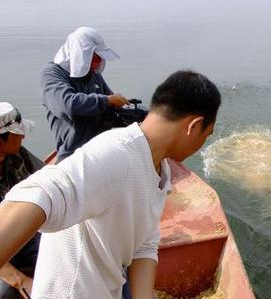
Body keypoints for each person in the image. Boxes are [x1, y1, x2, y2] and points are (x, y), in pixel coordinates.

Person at [0, 70, 221, 298]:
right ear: (194, 126)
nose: (202, 143)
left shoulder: (158, 170)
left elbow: (144, 243)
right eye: (207, 134)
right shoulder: (115, 155)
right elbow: (40, 193)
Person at [41, 26, 129, 161]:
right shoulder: (52, 74)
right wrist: (107, 100)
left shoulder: (93, 75)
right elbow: (69, 104)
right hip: (72, 155)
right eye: (94, 57)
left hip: (98, 149)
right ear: (80, 53)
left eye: (99, 58)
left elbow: (111, 104)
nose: (97, 63)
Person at [0, 102, 44, 299]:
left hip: (24, 236)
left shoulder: (19, 155)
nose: (23, 136)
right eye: (18, 133)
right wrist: (20, 280)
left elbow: (47, 176)